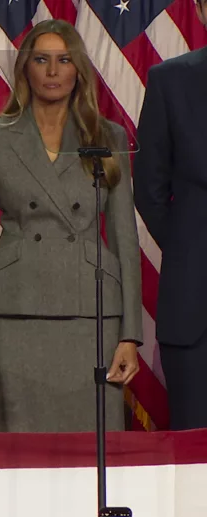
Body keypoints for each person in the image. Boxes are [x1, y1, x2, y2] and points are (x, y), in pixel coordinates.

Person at [0, 20, 142, 432]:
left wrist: (131, 335)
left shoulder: (107, 137)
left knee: (91, 453)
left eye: (64, 60)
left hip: (91, 316)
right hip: (13, 314)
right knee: (17, 454)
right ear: (26, 68)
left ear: (78, 69)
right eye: (42, 60)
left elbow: (126, 243)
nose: (53, 71)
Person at [132, 1, 207, 431]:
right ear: (198, 10)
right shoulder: (168, 80)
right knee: (196, 459)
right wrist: (188, 248)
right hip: (195, 312)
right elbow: (149, 190)